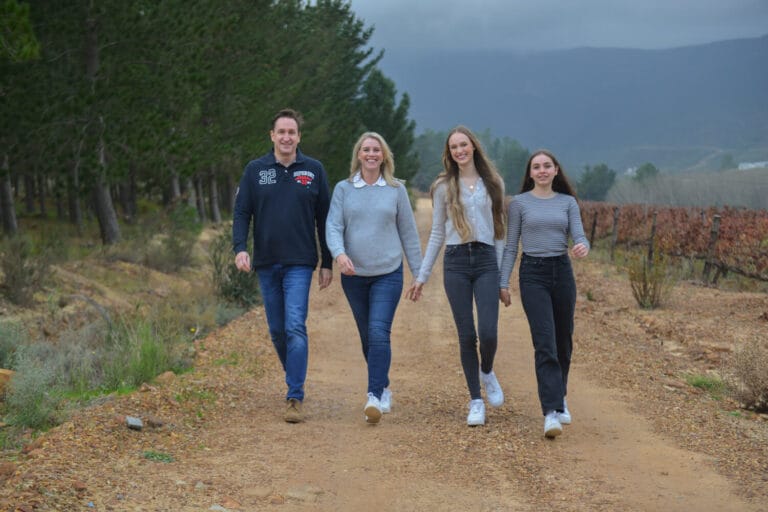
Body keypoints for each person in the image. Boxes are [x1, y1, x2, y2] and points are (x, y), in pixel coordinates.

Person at [232, 108, 333, 424]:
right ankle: (295, 376)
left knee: (294, 325)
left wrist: (327, 262)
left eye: (292, 132)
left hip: (300, 262)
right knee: (277, 330)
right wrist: (240, 249)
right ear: (272, 136)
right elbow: (241, 213)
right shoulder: (255, 170)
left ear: (299, 137)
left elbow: (325, 219)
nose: (287, 137)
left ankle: (294, 396)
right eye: (282, 132)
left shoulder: (313, 170)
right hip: (265, 262)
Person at [406, 126, 507, 427]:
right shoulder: (442, 186)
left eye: (464, 145)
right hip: (456, 261)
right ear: (449, 154)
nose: (460, 150)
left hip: (487, 259)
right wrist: (421, 276)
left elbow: (499, 231)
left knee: (488, 332)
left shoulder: (493, 183)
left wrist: (502, 279)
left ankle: (486, 370)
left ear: (474, 146)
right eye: (454, 147)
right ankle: (476, 400)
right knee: (467, 335)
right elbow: (437, 233)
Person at [326, 132, 422, 424]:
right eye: (366, 150)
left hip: (388, 273)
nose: (371, 154)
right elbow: (333, 226)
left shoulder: (396, 190)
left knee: (379, 331)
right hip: (354, 275)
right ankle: (384, 385)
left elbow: (408, 232)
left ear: (384, 156)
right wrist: (340, 255)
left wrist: (418, 273)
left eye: (376, 150)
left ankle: (373, 395)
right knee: (368, 336)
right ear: (358, 155)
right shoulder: (344, 189)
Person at [499, 149, 589, 439]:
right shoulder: (519, 204)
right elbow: (511, 245)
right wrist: (504, 282)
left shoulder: (568, 203)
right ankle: (550, 411)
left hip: (562, 271)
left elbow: (580, 235)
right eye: (536, 167)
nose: (541, 171)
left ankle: (559, 396)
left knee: (564, 340)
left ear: (555, 170)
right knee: (545, 342)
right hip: (533, 273)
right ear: (530, 173)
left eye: (546, 166)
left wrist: (582, 246)